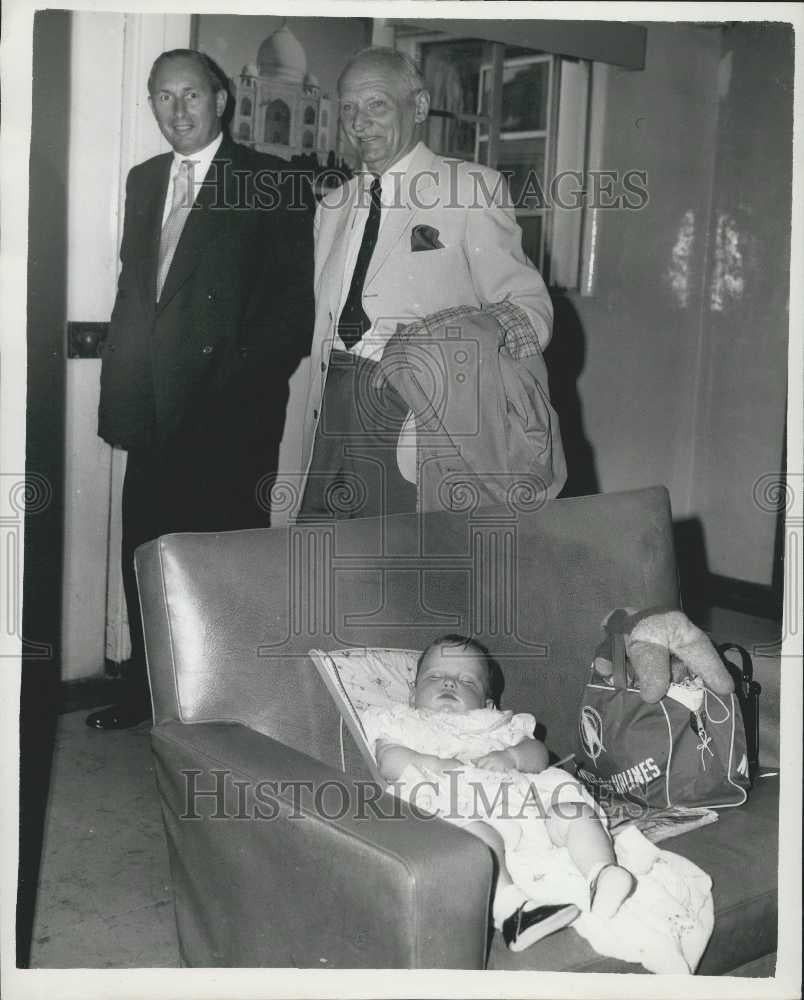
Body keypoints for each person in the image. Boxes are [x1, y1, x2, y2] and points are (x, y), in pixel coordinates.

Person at [89, 49, 314, 730]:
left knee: (221, 567)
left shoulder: (268, 181)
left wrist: (225, 399)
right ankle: (147, 692)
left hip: (228, 421)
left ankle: (224, 706)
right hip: (151, 413)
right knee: (147, 556)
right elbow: (136, 295)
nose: (178, 111)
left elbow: (286, 320)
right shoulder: (145, 179)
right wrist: (123, 394)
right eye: (163, 97)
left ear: (221, 98)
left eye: (191, 94)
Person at [297, 47, 564, 521]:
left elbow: (530, 310)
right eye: (349, 108)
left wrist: (442, 346)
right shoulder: (332, 207)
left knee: (407, 579)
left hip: (422, 422)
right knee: (322, 575)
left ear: (417, 107)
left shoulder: (470, 189)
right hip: (332, 420)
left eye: (377, 105)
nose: (360, 123)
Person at [362, 635, 636, 953]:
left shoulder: (499, 724)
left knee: (572, 811)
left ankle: (602, 872)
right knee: (477, 836)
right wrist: (435, 764)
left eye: (466, 680)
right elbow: (389, 761)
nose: (449, 683)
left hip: (525, 804)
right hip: (456, 802)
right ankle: (513, 910)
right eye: (435, 676)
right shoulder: (404, 721)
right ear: (412, 693)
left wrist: (511, 757)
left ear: (488, 704)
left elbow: (538, 755)